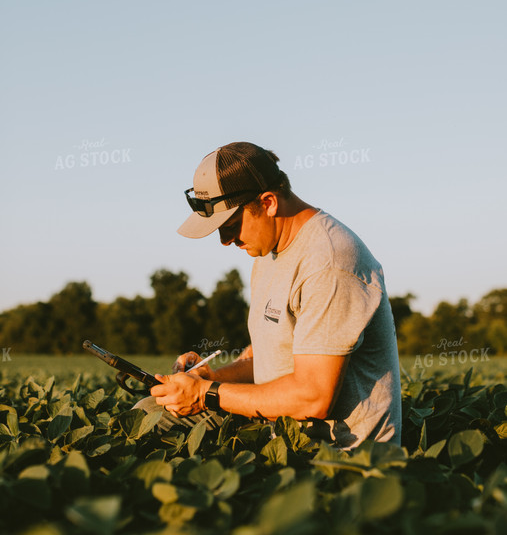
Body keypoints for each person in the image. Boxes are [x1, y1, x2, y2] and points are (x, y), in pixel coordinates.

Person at [145, 141, 401, 448]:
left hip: (339, 458)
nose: (225, 240)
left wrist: (204, 395)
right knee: (148, 413)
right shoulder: (267, 253)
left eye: (230, 225)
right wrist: (208, 379)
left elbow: (312, 398)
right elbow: (273, 359)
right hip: (282, 439)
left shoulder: (329, 262)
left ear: (268, 203)